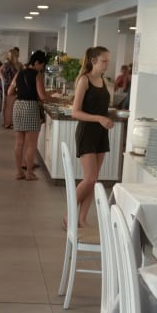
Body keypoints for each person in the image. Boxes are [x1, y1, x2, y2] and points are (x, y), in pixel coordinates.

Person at [71, 46, 114, 227]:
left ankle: (82, 219)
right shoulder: (84, 80)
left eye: (108, 61)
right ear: (93, 61)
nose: (107, 64)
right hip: (87, 132)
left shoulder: (104, 81)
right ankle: (69, 215)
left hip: (101, 133)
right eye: (104, 61)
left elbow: (101, 108)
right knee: (89, 178)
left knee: (93, 180)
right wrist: (99, 118)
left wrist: (107, 118)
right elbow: (75, 112)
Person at [8, 50, 52, 180]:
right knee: (31, 144)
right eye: (42, 65)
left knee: (19, 142)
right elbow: (42, 96)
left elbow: (10, 92)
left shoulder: (19, 73)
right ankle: (29, 173)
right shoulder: (37, 75)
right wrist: (55, 98)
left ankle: (19, 172)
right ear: (37, 62)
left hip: (18, 106)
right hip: (31, 107)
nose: (42, 68)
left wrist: (22, 92)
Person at [1, 48, 21, 128]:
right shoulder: (8, 64)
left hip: (12, 85)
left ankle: (7, 122)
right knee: (9, 105)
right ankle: (7, 123)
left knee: (9, 104)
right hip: (10, 85)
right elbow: (1, 71)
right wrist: (4, 79)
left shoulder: (16, 64)